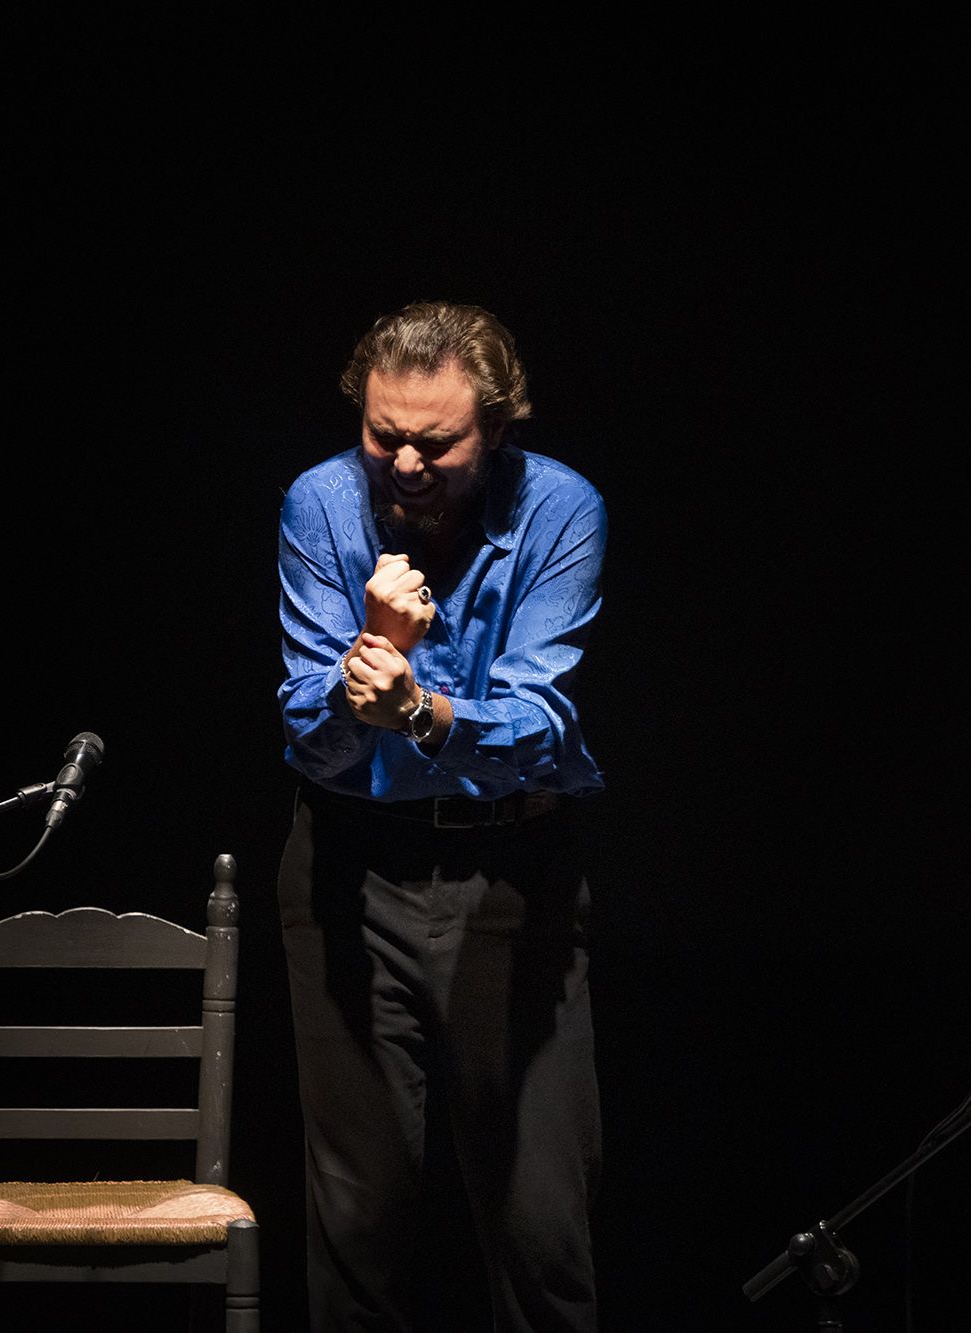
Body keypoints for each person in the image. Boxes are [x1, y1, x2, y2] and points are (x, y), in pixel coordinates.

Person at [276, 301, 606, 1331]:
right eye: (384, 438)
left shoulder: (560, 508)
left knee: (540, 1225)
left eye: (435, 443)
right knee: (358, 1224)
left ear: (497, 430)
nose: (405, 465)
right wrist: (365, 661)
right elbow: (311, 737)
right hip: (348, 871)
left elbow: (541, 725)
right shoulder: (318, 505)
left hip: (511, 872)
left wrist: (416, 708)